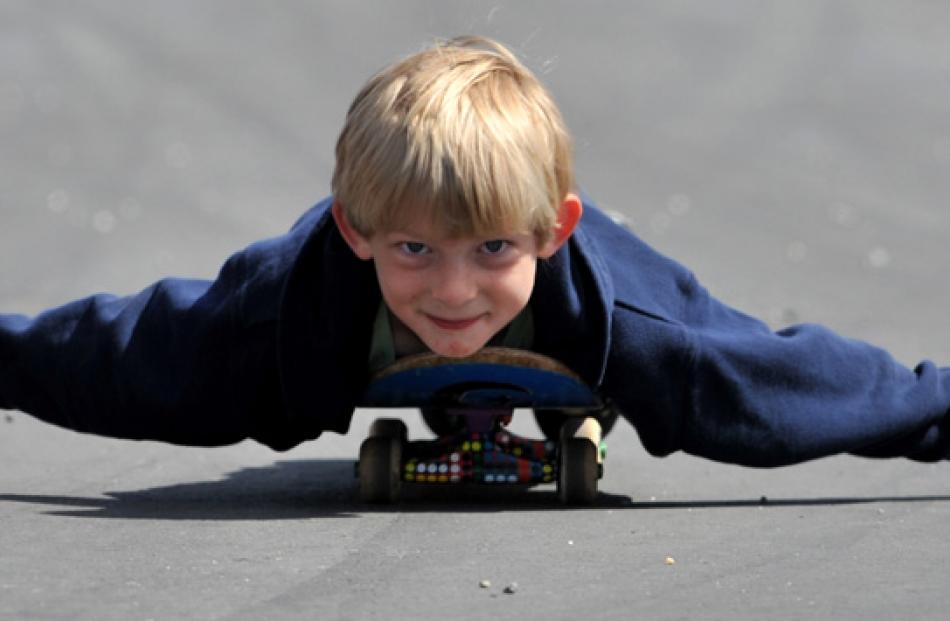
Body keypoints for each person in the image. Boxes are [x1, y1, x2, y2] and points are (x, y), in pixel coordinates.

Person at [2, 36, 948, 466]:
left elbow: (790, 390)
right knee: (168, 370)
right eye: (417, 249)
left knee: (723, 379)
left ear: (551, 230)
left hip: (581, 287)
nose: (453, 291)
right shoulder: (281, 311)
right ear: (358, 232)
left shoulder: (635, 321)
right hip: (333, 291)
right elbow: (115, 354)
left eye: (488, 248)